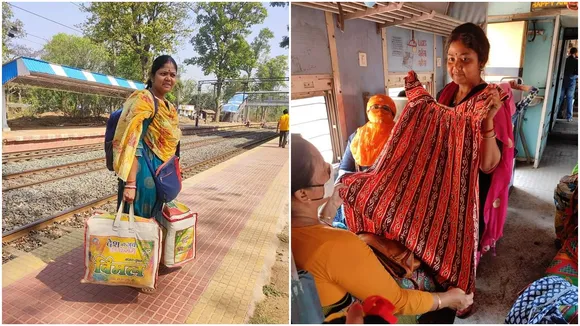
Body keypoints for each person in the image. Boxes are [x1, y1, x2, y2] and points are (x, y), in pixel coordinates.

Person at [291, 134, 473, 322]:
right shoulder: (333, 245)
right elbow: (397, 301)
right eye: (324, 169)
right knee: (435, 289)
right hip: (361, 313)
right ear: (303, 194)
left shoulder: (296, 234)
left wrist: (327, 213)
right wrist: (447, 300)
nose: (330, 170)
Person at [112, 55, 182, 294]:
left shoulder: (169, 107)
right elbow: (133, 143)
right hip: (140, 173)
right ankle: (137, 275)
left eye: (173, 74)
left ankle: (145, 266)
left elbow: (170, 145)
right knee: (138, 221)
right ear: (152, 76)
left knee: (150, 222)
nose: (168, 78)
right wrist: (130, 183)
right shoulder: (143, 100)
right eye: (163, 73)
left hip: (158, 173)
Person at [558, 47, 578, 122]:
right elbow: (577, 73)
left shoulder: (565, 60)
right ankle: (569, 117)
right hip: (571, 82)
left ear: (570, 52)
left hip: (563, 80)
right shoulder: (576, 62)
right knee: (570, 99)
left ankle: (557, 114)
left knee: (560, 98)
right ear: (575, 53)